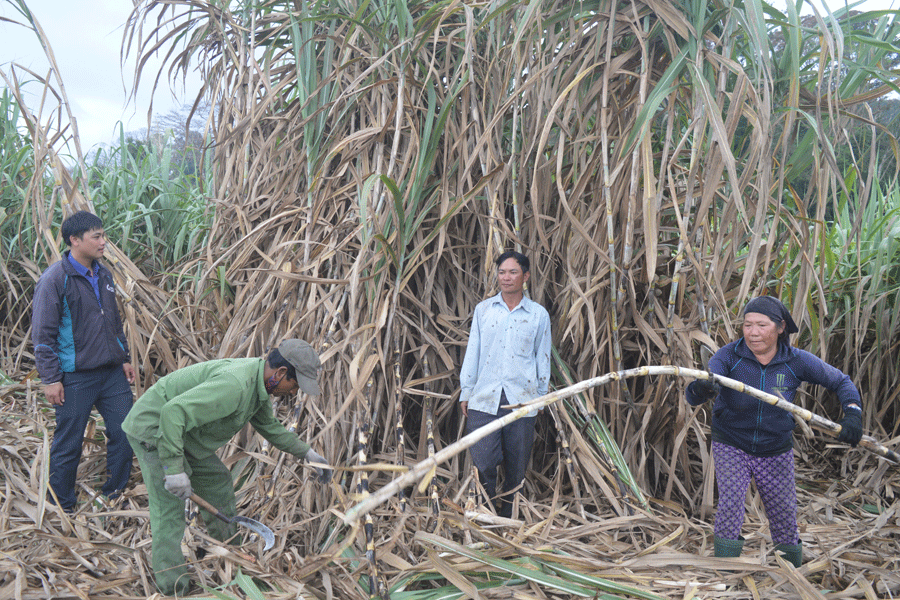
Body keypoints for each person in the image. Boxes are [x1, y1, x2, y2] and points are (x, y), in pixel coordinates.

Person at [122, 339, 333, 596]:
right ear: (280, 374)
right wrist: (174, 469)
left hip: (182, 433)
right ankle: (172, 588)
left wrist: (308, 453)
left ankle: (230, 555)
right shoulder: (234, 385)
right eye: (295, 385)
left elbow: (271, 428)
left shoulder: (258, 387)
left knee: (218, 481)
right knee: (169, 510)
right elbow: (172, 413)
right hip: (154, 430)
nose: (293, 392)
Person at [686, 296, 863, 567]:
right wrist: (702, 388)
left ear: (780, 328)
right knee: (731, 504)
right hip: (731, 440)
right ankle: (724, 572)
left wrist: (852, 413)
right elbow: (696, 392)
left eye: (761, 325)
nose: (753, 333)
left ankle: (791, 572)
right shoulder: (729, 357)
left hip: (775, 446)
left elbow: (841, 382)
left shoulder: (796, 361)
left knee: (783, 512)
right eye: (747, 325)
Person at [32, 210, 136, 512]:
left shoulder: (103, 273)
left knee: (124, 431)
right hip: (75, 377)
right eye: (97, 237)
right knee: (69, 443)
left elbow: (113, 320)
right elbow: (42, 335)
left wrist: (123, 357)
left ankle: (113, 494)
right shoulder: (55, 280)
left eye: (103, 235)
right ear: (74, 240)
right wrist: (51, 379)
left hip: (112, 373)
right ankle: (61, 505)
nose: (104, 242)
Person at [459, 251, 551, 518]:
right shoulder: (484, 310)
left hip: (522, 400)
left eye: (512, 272)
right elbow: (473, 351)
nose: (506, 277)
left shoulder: (537, 315)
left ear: (525, 276)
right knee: (484, 462)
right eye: (502, 272)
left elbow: (541, 356)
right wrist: (467, 390)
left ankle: (509, 519)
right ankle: (486, 516)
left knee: (516, 467)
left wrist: (541, 397)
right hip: (484, 398)